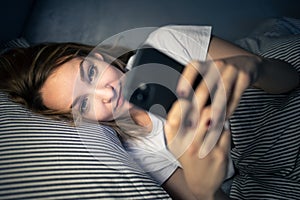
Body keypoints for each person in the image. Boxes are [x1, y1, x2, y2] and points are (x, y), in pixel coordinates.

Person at [0, 25, 299, 200]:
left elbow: (290, 80)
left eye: (90, 73)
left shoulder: (165, 44)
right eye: (83, 104)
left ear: (100, 57)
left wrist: (255, 68)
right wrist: (202, 186)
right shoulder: (138, 151)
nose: (106, 94)